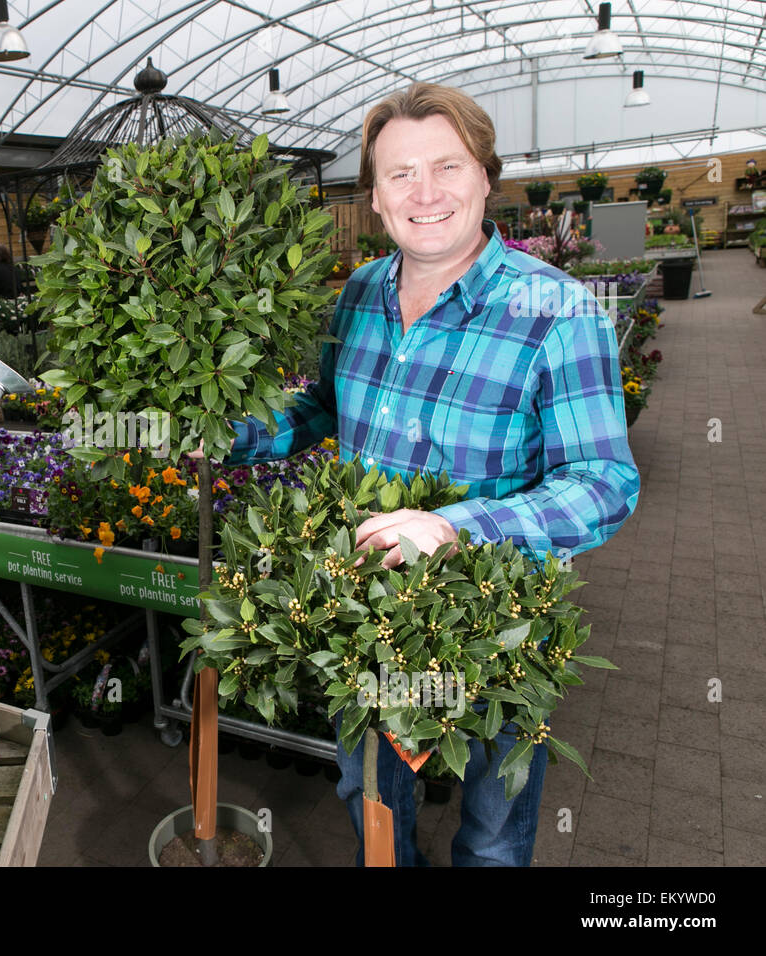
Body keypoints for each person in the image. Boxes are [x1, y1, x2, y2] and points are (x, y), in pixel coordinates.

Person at [217, 82, 640, 866]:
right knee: (370, 794)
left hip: (493, 630)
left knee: (492, 828)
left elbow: (604, 481)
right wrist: (224, 432)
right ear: (374, 198)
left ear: (486, 176)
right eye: (401, 174)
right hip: (367, 607)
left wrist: (455, 527)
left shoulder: (559, 312)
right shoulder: (359, 294)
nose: (427, 192)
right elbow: (320, 407)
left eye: (448, 166)